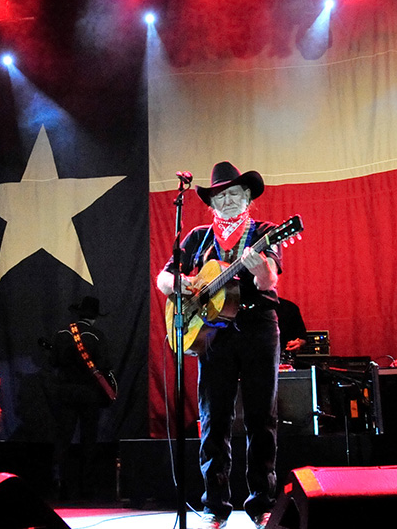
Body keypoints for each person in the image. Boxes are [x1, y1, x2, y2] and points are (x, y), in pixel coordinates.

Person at [156, 161, 282, 529]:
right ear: (211, 203)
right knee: (214, 419)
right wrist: (186, 286)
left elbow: (268, 281)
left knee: (262, 417)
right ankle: (215, 506)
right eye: (220, 195)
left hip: (258, 326)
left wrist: (258, 266)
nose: (227, 200)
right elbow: (164, 277)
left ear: (247, 197)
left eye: (234, 193)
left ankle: (261, 503)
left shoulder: (265, 231)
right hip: (211, 333)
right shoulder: (197, 237)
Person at [45, 296, 115, 499]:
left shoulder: (61, 334)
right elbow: (105, 365)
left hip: (65, 392)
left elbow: (53, 362)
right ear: (94, 317)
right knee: (88, 440)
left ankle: (59, 484)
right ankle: (87, 488)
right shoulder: (97, 335)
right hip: (89, 394)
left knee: (63, 439)